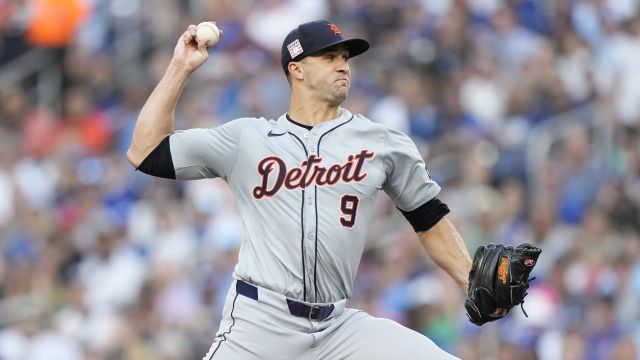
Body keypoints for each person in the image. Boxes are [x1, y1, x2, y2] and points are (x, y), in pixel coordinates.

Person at [127, 20, 472, 360]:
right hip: (261, 326)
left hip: (338, 329)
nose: (343, 66)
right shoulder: (247, 140)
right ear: (297, 69)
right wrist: (180, 67)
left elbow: (429, 218)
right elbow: (145, 152)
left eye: (345, 58)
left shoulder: (382, 143)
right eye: (329, 57)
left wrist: (470, 281)